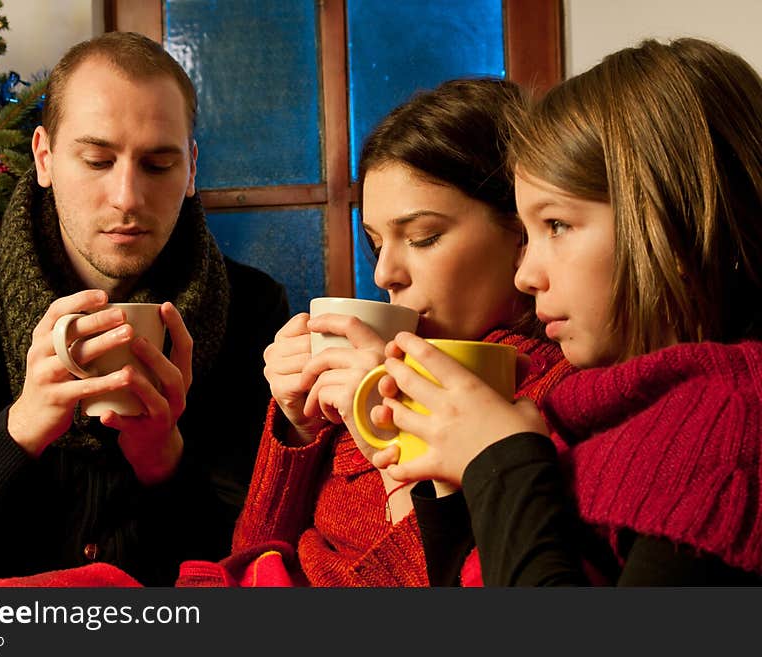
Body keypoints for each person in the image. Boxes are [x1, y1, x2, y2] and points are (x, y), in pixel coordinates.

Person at [0, 31, 289, 586]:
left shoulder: (253, 309)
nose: (126, 197)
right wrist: (20, 430)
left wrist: (162, 459)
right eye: (98, 160)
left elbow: (262, 561)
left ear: (191, 169)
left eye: (158, 165)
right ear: (44, 157)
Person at [371, 38, 762, 585]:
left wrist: (502, 464)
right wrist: (454, 484)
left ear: (672, 225)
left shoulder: (729, 427)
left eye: (556, 225)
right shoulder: (590, 411)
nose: (525, 275)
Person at [176, 78, 574, 587]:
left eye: (423, 237)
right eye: (376, 243)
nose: (385, 273)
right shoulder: (382, 361)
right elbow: (249, 559)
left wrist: (391, 441)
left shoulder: (547, 400)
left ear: (522, 231)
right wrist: (298, 429)